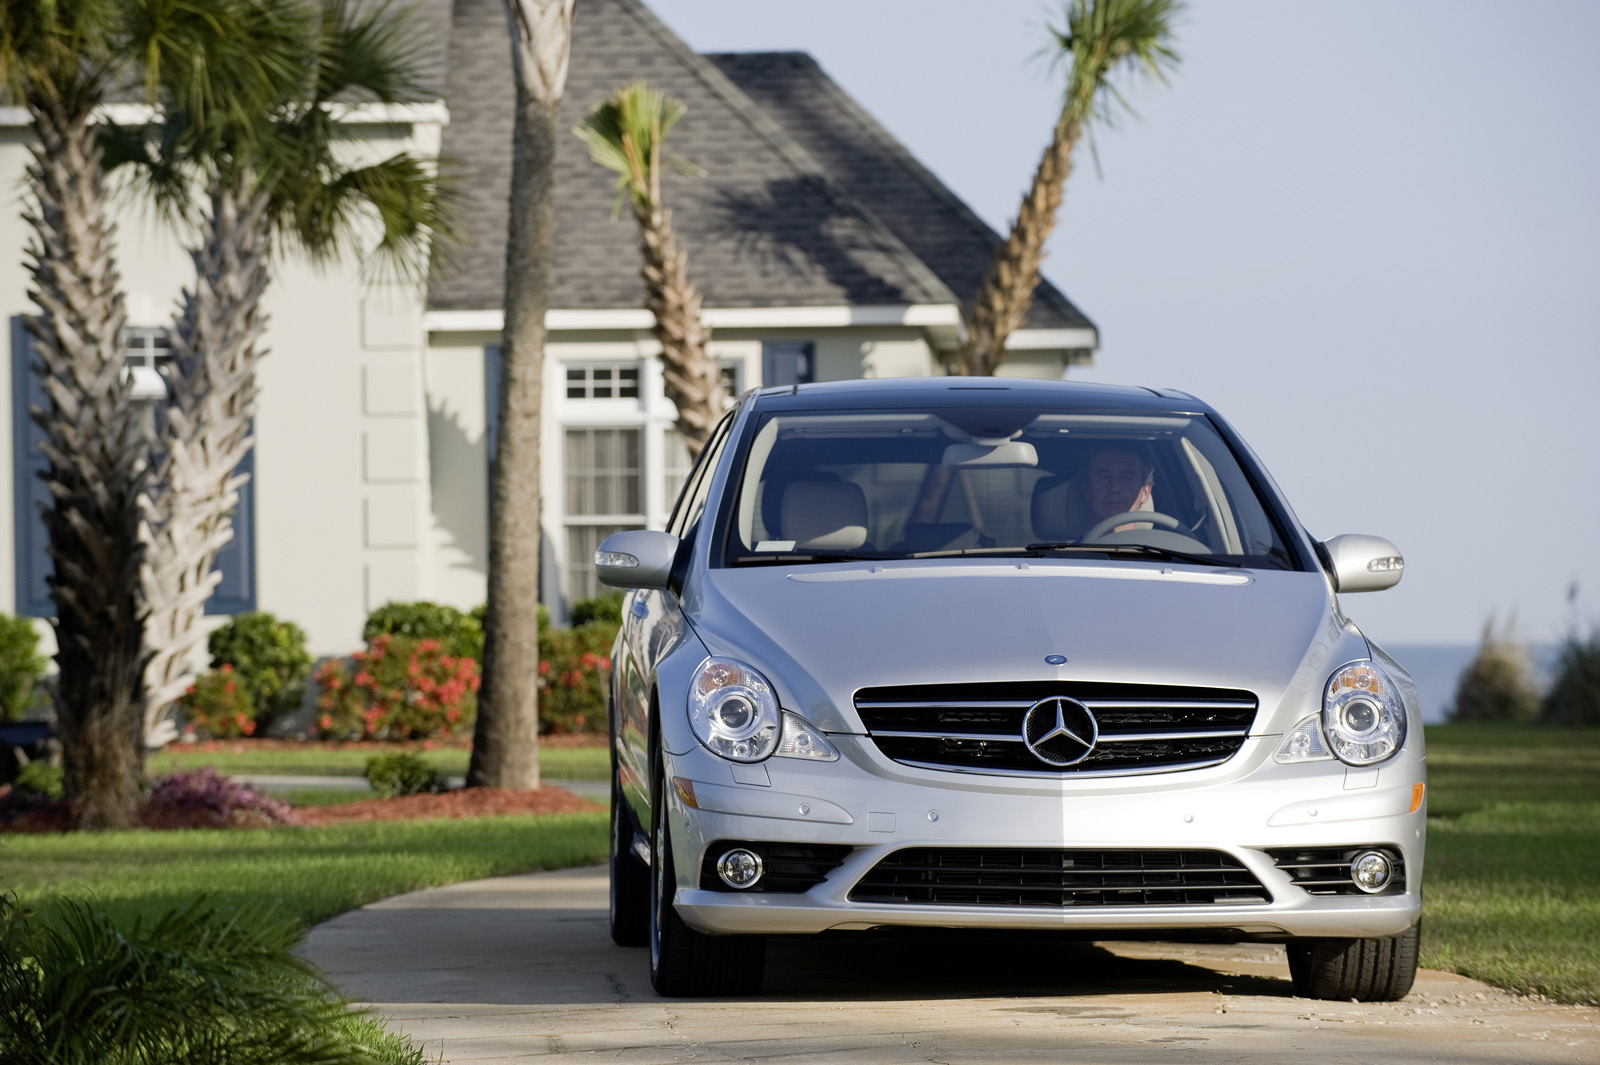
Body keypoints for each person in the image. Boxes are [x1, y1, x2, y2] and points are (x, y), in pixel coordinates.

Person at [1081, 443, 1154, 531]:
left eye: (1127, 478)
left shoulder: (1162, 545)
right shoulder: (1063, 545)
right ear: (1087, 489)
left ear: (1145, 493)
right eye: (1105, 477)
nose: (1115, 488)